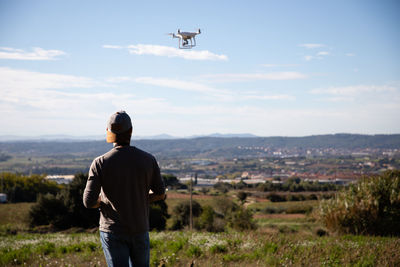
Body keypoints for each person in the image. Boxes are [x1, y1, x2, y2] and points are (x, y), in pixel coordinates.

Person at [83, 111, 166, 267]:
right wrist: (142, 198)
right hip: (139, 228)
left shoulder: (100, 163)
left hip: (112, 230)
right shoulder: (148, 159)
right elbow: (160, 193)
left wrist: (101, 202)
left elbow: (88, 202)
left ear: (109, 133)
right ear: (131, 131)